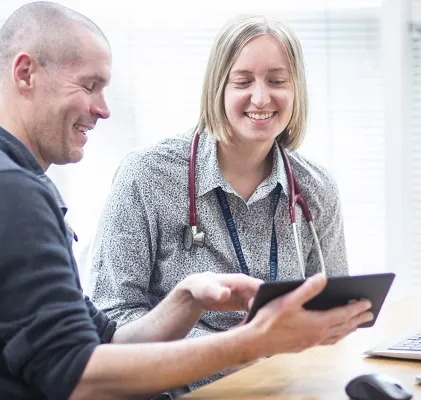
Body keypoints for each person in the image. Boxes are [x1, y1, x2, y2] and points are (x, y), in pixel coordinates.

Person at [0, 2, 374, 400]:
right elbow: (80, 378)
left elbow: (103, 340)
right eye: (90, 85)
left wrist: (183, 299)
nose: (103, 108)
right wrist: (251, 342)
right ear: (25, 73)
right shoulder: (0, 194)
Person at [90, 14, 350, 390]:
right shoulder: (147, 176)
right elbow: (111, 316)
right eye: (242, 82)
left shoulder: (315, 188)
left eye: (277, 81)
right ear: (217, 88)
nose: (261, 98)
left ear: (297, 91)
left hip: (285, 387)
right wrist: (228, 353)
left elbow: (333, 314)